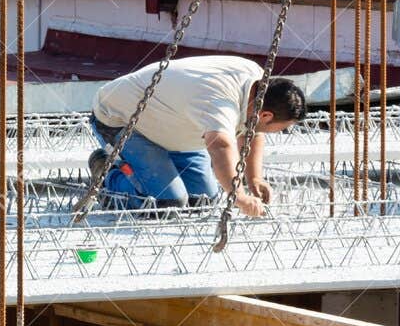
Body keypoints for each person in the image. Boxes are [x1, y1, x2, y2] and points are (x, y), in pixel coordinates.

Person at [88, 55, 306, 215]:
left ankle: (151, 171)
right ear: (267, 115)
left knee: (203, 200)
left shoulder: (260, 86)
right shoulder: (219, 101)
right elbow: (220, 146)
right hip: (121, 120)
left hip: (172, 125)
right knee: (166, 203)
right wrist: (238, 196)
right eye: (283, 127)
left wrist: (254, 178)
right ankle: (108, 176)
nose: (282, 132)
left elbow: (253, 130)